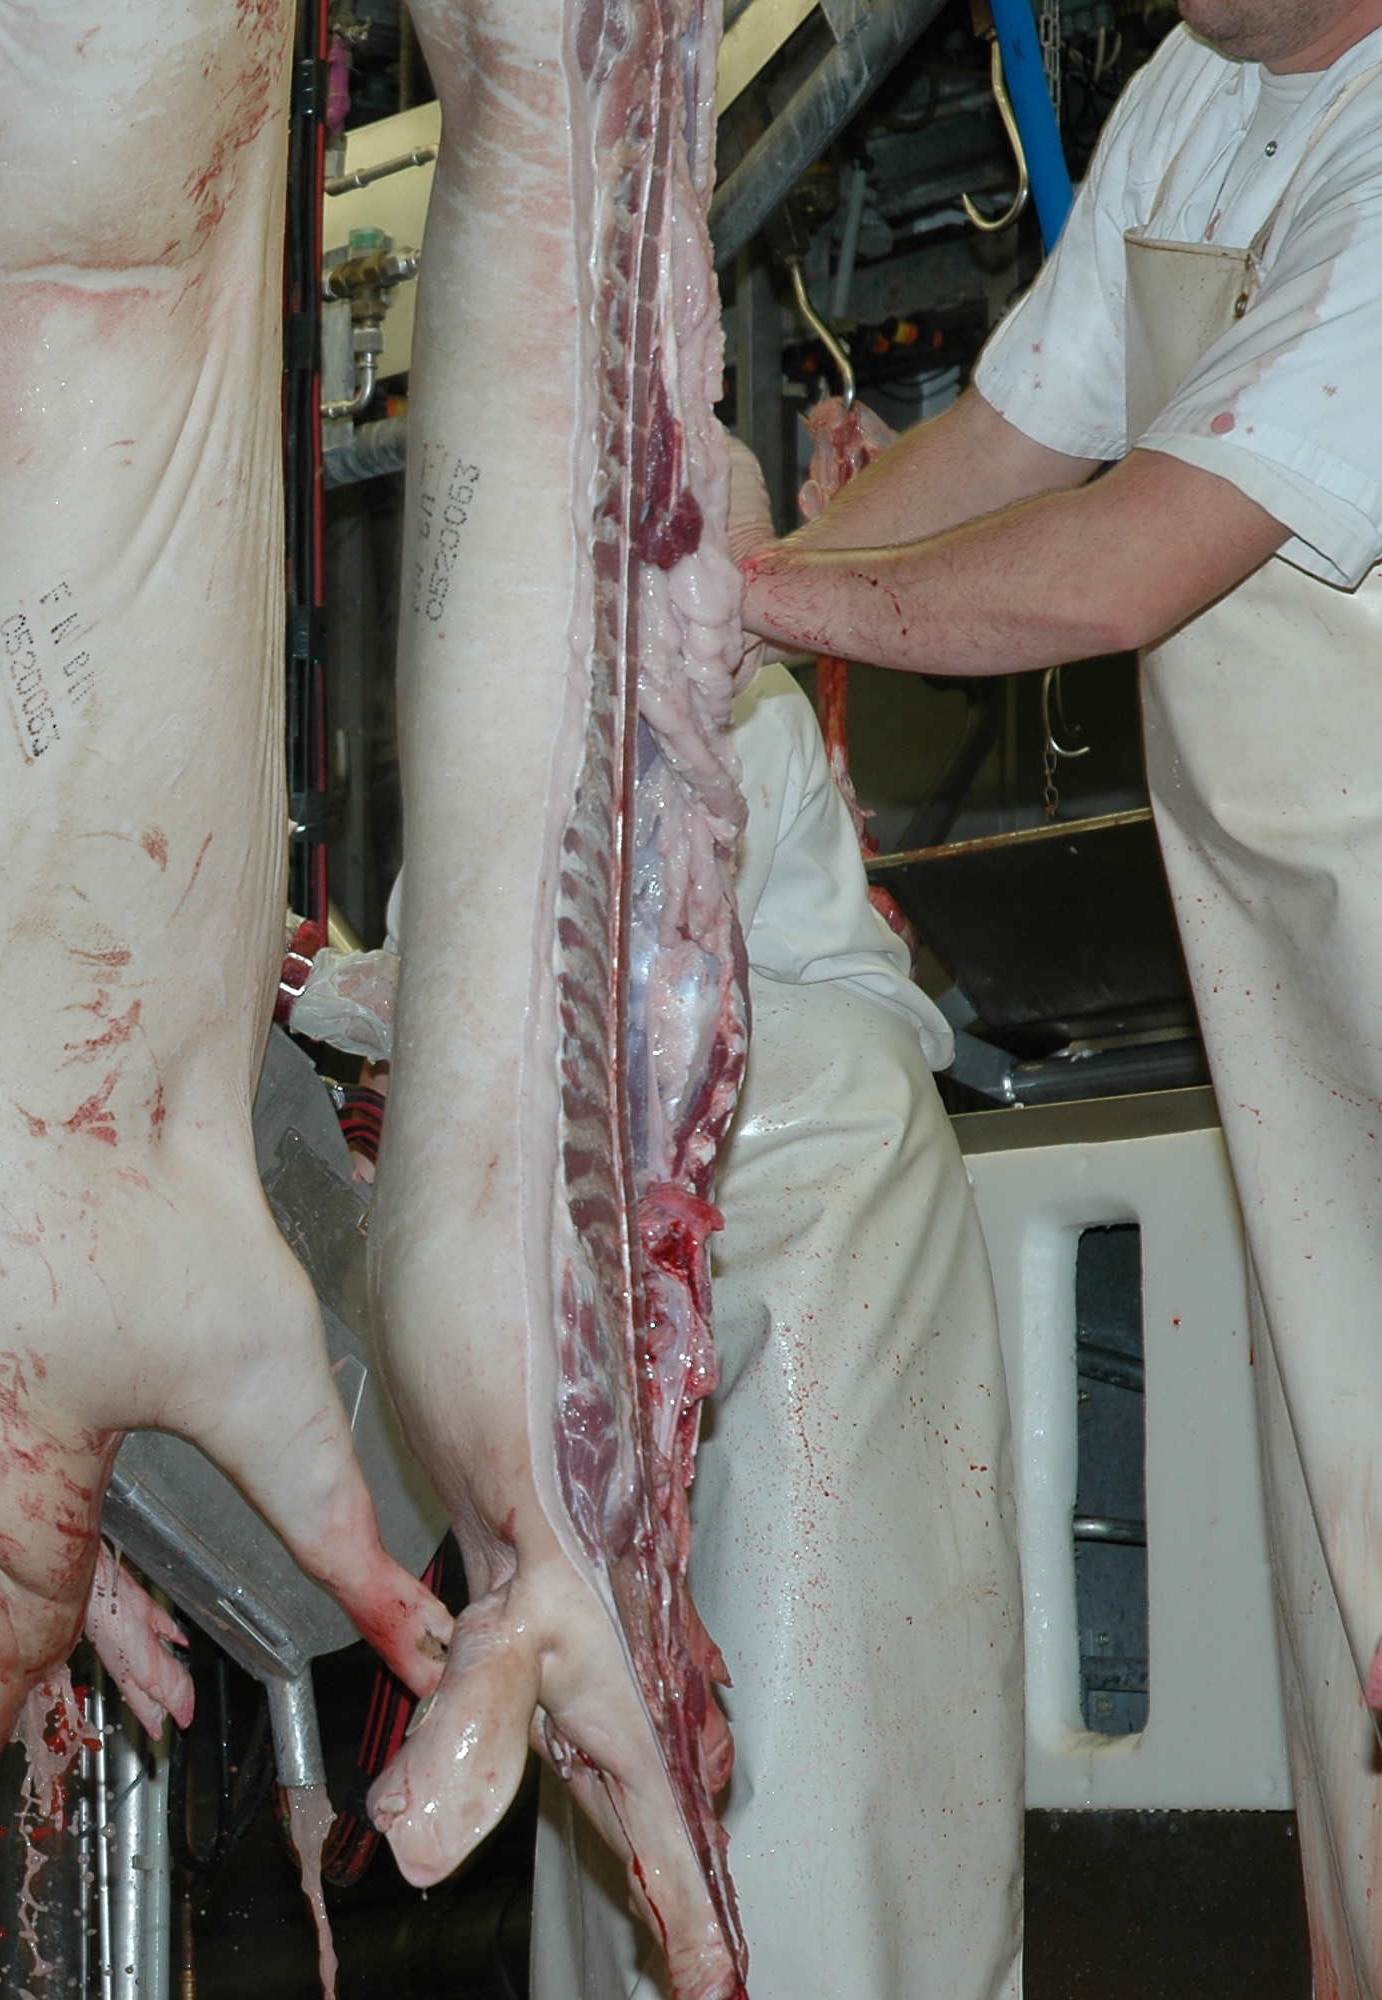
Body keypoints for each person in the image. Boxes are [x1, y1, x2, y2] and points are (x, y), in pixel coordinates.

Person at [735, 0, 1382, 1975]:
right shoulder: (1198, 89)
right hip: (1303, 1030)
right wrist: (744, 570)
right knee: (1347, 1660)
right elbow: (1015, 442)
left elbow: (1119, 566)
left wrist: (751, 602)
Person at [378, 670, 1025, 1999]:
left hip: (811, 1194)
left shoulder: (704, 679)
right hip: (617, 1205)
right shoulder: (495, 701)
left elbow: (629, 972)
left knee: (809, 1754)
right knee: (618, 1711)